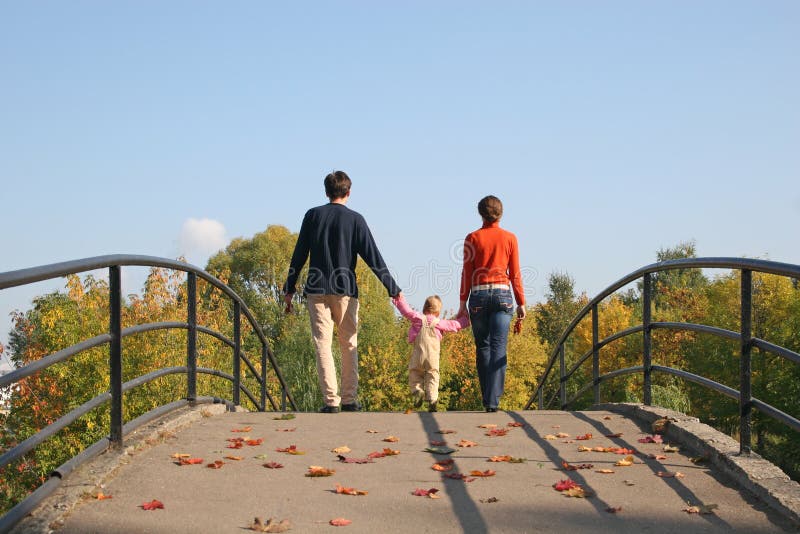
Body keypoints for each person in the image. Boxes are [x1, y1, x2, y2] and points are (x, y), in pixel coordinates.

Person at [283, 171, 401, 413]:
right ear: (349, 192)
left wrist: (289, 288)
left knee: (322, 345)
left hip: (316, 289)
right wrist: (392, 288)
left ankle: (331, 402)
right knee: (348, 343)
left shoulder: (312, 216)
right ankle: (349, 399)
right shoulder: (356, 220)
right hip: (346, 290)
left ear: (326, 192)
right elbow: (372, 256)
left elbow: (299, 253)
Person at [457, 195, 526, 412]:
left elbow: (467, 272)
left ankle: (487, 398)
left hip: (478, 296)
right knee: (498, 347)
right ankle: (493, 400)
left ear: (480, 213)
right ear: (501, 213)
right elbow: (514, 273)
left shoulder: (472, 238)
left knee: (483, 347)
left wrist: (462, 302)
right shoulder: (510, 238)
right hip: (503, 296)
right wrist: (521, 301)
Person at [392, 293, 469, 412]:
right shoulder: (439, 323)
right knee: (433, 375)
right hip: (432, 357)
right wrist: (465, 319)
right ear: (438, 312)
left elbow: (406, 311)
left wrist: (398, 298)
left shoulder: (417, 318)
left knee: (415, 373)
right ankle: (432, 399)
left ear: (424, 308)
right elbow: (454, 325)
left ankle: (417, 390)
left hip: (418, 355)